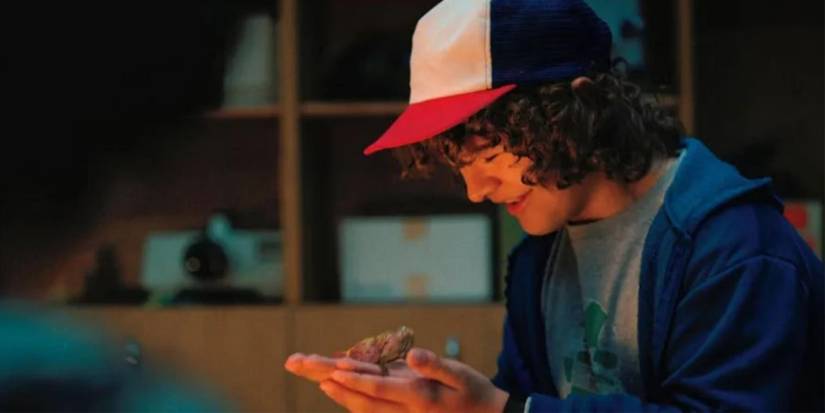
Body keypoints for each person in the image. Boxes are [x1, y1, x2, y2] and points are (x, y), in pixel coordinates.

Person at [284, 0, 824, 411]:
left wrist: (504, 410)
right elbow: (527, 397)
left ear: (578, 110)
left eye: (491, 152)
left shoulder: (739, 253)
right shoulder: (538, 258)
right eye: (459, 164)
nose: (476, 192)